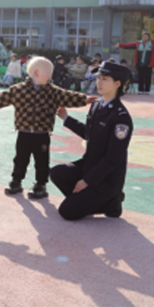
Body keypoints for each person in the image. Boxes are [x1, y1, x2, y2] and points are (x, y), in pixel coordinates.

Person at [0, 56, 93, 199]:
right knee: (20, 159)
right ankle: (16, 181)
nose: (51, 75)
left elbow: (68, 96)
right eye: (48, 72)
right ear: (36, 73)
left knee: (42, 160)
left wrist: (84, 99)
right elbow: (3, 98)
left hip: (42, 133)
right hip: (24, 132)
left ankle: (41, 184)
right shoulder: (18, 90)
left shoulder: (53, 91)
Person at [50, 62, 134, 220]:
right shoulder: (96, 104)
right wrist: (66, 118)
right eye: (98, 78)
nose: (99, 82)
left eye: (105, 79)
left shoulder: (121, 117)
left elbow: (113, 158)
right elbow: (89, 133)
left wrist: (86, 181)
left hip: (106, 178)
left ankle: (111, 201)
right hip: (89, 165)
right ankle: (91, 200)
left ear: (118, 84)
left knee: (67, 212)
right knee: (57, 173)